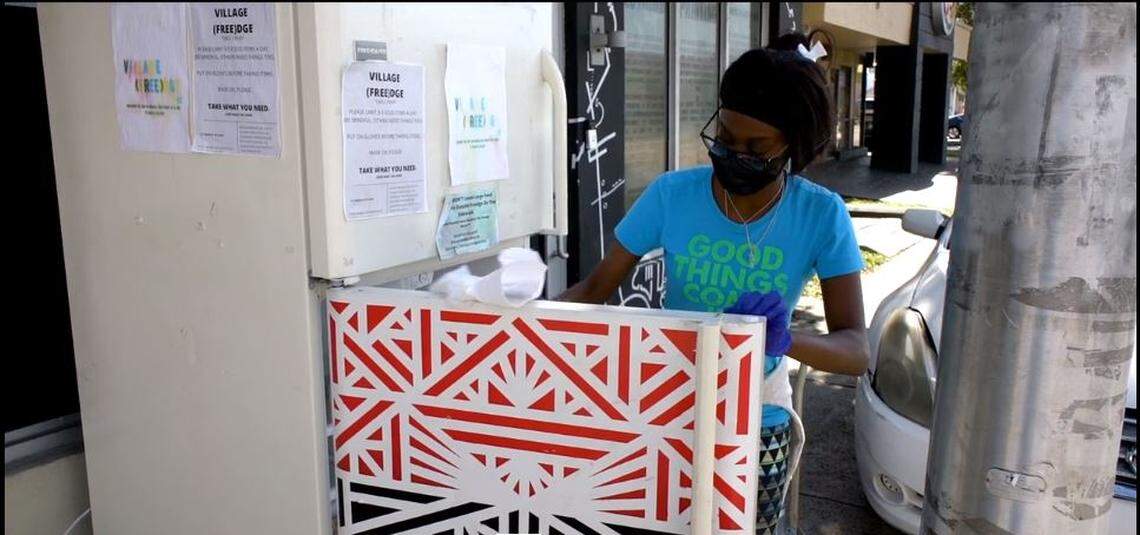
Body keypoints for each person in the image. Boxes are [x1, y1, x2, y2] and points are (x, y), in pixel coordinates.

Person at [559, 33, 869, 534]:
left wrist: (787, 340)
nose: (733, 153)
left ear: (793, 143)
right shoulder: (671, 195)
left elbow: (855, 350)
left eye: (755, 146)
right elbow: (595, 289)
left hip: (757, 418)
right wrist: (519, 317)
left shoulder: (820, 215)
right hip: (662, 403)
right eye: (725, 137)